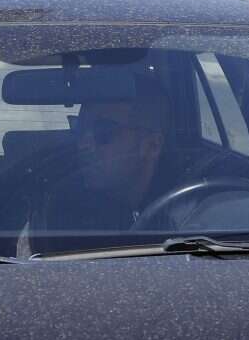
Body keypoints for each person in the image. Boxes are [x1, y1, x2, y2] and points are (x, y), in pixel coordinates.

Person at [28, 74, 172, 251]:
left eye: (104, 131)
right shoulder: (57, 215)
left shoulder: (191, 218)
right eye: (79, 128)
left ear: (152, 146)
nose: (83, 144)